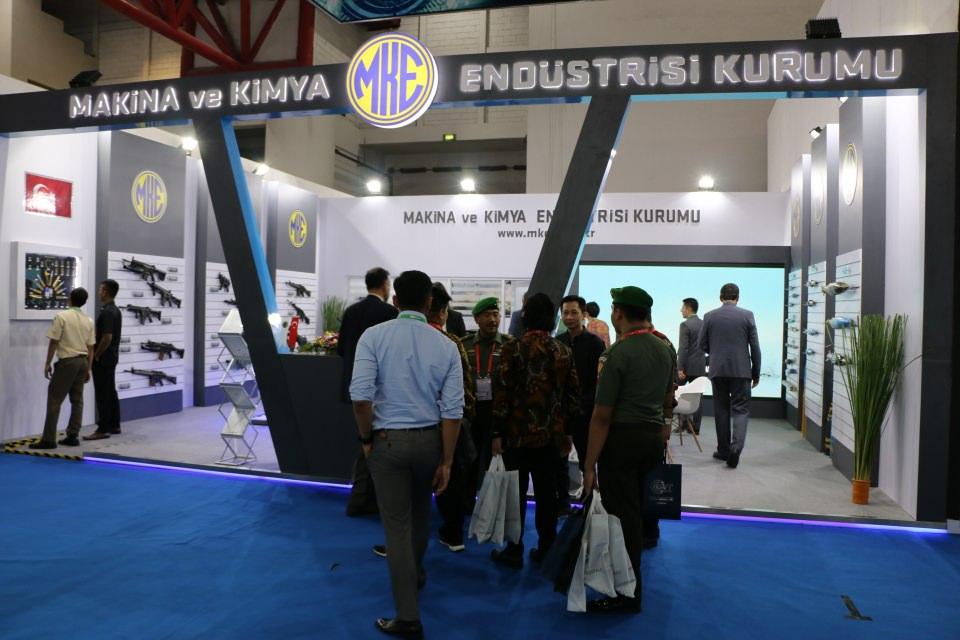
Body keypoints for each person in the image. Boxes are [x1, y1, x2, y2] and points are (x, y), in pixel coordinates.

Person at [350, 270, 463, 639]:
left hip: (387, 442)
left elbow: (361, 397)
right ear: (429, 303)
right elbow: (453, 412)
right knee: (419, 516)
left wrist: (366, 439)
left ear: (395, 300)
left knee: (397, 527)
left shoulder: (374, 337)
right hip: (430, 442)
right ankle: (414, 575)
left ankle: (408, 616)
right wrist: (447, 460)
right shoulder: (446, 345)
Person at [582, 286, 676, 613]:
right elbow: (668, 400)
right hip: (652, 439)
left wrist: (589, 465)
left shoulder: (617, 355)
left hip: (621, 441)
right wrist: (663, 430)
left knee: (623, 518)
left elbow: (602, 415)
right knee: (638, 511)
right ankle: (629, 585)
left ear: (619, 313)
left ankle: (627, 592)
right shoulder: (664, 348)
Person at [491, 293, 580, 568]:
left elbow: (501, 394)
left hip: (515, 436)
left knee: (514, 496)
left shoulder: (512, 349)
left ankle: (514, 549)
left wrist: (496, 433)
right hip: (551, 438)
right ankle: (546, 548)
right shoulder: (563, 351)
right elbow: (573, 397)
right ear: (552, 318)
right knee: (547, 496)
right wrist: (568, 433)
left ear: (526, 317)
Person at [339, 267, 398, 517]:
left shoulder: (351, 311)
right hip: (380, 390)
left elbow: (341, 348)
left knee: (365, 442)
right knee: (375, 446)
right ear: (384, 285)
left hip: (353, 388)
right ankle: (365, 499)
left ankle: (361, 498)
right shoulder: (389, 313)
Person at [428, 283, 476, 551]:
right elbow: (464, 388)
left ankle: (403, 541)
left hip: (413, 425)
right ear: (443, 312)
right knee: (451, 477)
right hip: (447, 423)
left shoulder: (402, 339)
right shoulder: (451, 343)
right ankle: (453, 533)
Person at [697, 283, 761, 469]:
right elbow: (755, 347)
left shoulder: (709, 316)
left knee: (721, 409)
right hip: (741, 370)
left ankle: (723, 450)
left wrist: (716, 353)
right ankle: (736, 448)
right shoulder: (747, 315)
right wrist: (756, 372)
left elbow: (701, 344)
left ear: (720, 297)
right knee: (741, 410)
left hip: (718, 370)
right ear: (738, 297)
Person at [31, 287, 96, 450]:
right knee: (77, 400)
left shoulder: (62, 317)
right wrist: (89, 368)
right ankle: (73, 435)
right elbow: (91, 347)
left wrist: (47, 363)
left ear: (70, 299)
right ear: (84, 302)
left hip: (67, 362)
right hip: (82, 361)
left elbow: (54, 341)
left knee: (54, 399)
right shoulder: (89, 320)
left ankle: (48, 439)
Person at [556, 295, 605, 507]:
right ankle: (562, 502)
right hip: (561, 412)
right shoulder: (558, 342)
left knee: (588, 460)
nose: (569, 317)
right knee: (559, 460)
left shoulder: (595, 343)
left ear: (583, 314)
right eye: (565, 313)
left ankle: (589, 504)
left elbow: (598, 381)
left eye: (574, 312)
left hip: (586, 412)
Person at [460, 297, 511, 495]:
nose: (493, 320)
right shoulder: (464, 345)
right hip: (472, 413)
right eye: (487, 315)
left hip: (498, 414)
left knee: (496, 462)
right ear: (476, 319)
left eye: (496, 315)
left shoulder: (509, 344)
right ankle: (467, 502)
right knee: (469, 461)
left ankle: (491, 504)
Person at [84, 279, 122, 440]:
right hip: (111, 357)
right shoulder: (115, 310)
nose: (99, 292)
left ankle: (103, 428)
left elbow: (107, 337)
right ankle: (114, 424)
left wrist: (97, 354)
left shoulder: (107, 312)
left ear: (106, 291)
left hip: (104, 359)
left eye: (101, 289)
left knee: (102, 393)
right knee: (110, 391)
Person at [676, 297, 706, 435]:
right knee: (698, 397)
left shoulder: (685, 325)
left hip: (686, 366)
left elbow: (683, 348)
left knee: (677, 393)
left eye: (682, 308)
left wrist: (680, 368)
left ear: (688, 308)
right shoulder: (704, 323)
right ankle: (695, 427)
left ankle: (682, 424)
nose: (681, 310)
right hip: (700, 365)